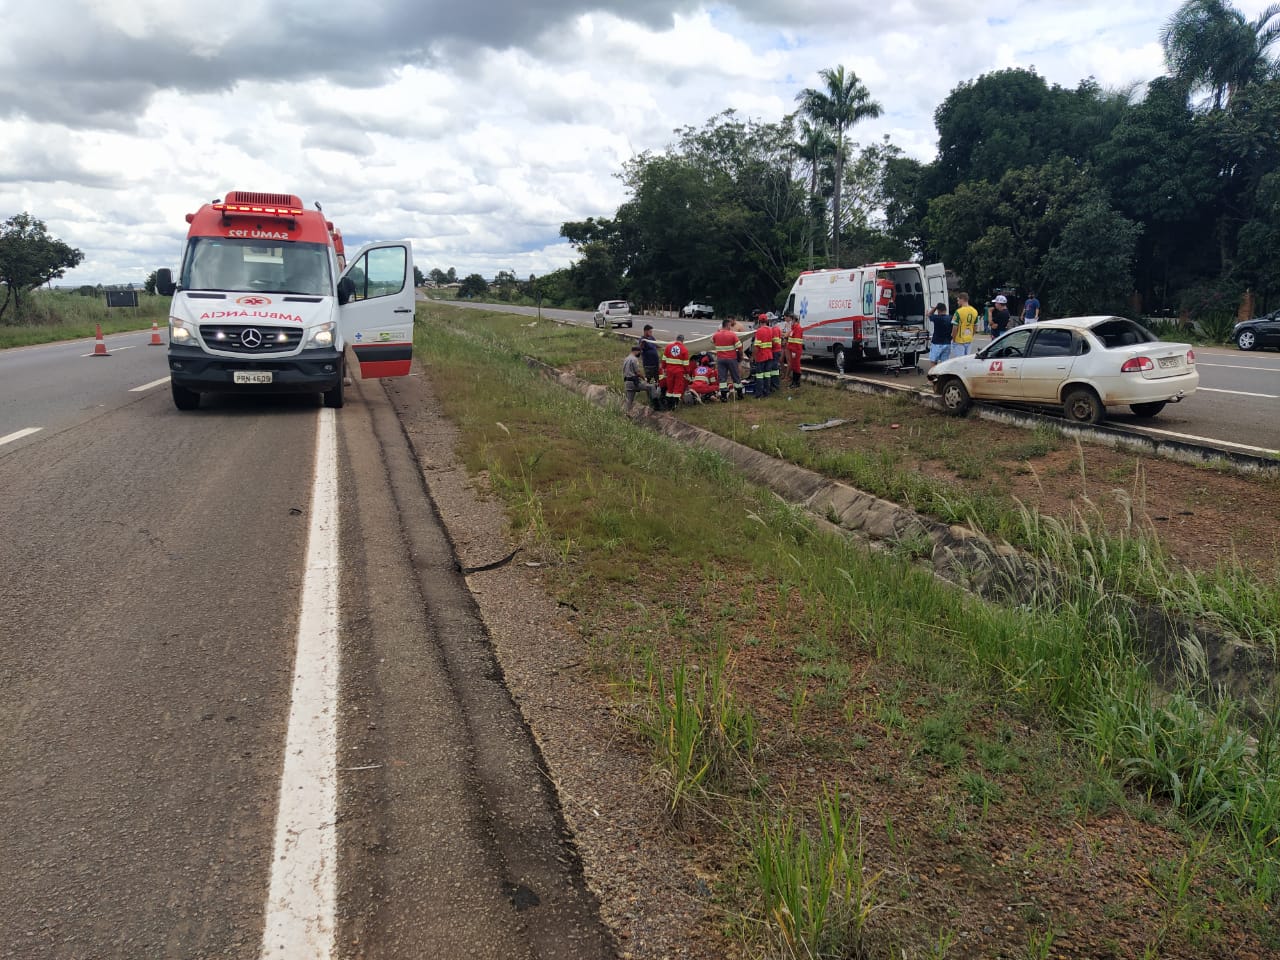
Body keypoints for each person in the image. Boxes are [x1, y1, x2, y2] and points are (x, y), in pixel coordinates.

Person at [711, 317, 744, 400]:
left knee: (722, 378)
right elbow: (739, 347)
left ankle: (723, 396)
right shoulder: (732, 334)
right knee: (735, 377)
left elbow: (712, 341)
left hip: (720, 359)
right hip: (731, 359)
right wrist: (741, 356)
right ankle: (739, 395)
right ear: (728, 325)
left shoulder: (716, 334)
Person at [660, 333, 690, 409]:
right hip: (679, 372)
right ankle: (674, 405)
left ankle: (668, 405)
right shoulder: (684, 349)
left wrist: (664, 368)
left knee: (670, 387)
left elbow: (664, 360)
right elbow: (686, 364)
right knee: (677, 388)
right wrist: (687, 372)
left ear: (676, 339)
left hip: (669, 370)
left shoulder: (668, 347)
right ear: (682, 341)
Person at [621, 343, 653, 412]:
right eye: (639, 352)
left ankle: (625, 414)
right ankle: (653, 406)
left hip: (627, 382)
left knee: (629, 401)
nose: (640, 354)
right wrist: (644, 378)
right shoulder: (634, 359)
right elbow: (637, 372)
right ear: (636, 351)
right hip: (633, 382)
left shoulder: (626, 359)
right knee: (651, 387)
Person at [751, 314, 775, 397]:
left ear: (759, 321)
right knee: (767, 374)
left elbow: (757, 346)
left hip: (761, 356)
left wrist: (753, 356)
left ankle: (759, 393)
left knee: (760, 375)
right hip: (769, 355)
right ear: (767, 321)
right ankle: (766, 392)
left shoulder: (759, 331)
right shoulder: (771, 330)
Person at [951, 292, 978, 357]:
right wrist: (971, 335)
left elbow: (955, 327)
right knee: (966, 359)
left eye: (958, 300)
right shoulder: (974, 311)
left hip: (959, 340)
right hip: (969, 339)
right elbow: (975, 326)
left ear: (962, 299)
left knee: (960, 360)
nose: (957, 302)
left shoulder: (958, 312)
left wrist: (953, 339)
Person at [784, 313, 804, 388]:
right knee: (794, 365)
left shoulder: (798, 328)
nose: (790, 321)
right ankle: (794, 382)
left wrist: (794, 352)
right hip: (792, 350)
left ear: (794, 320)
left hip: (795, 350)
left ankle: (796, 382)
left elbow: (797, 342)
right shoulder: (794, 328)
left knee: (796, 366)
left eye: (791, 319)